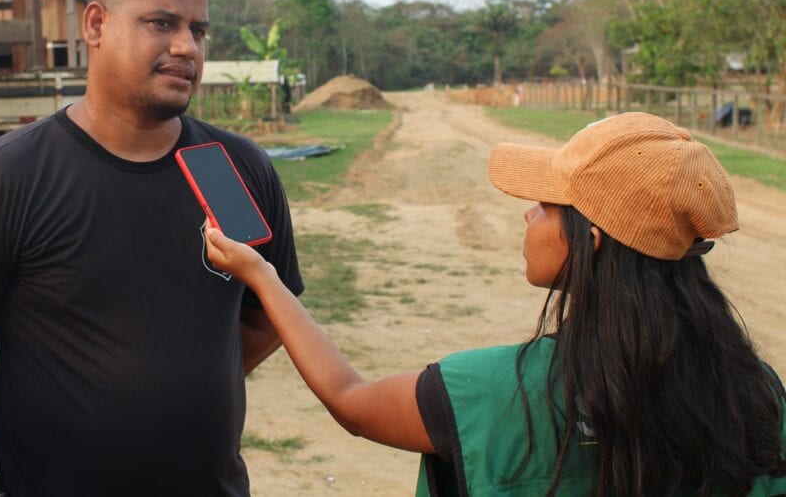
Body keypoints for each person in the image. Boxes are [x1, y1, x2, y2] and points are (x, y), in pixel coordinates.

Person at [0, 0, 303, 495]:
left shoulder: (228, 170)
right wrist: (44, 413)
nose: (187, 47)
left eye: (198, 30)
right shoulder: (3, 183)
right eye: (161, 23)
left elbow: (266, 316)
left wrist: (177, 395)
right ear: (95, 24)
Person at [204, 112, 786, 496]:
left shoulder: (487, 393)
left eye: (547, 203)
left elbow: (351, 401)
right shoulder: (758, 393)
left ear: (595, 236)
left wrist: (262, 275)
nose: (529, 214)